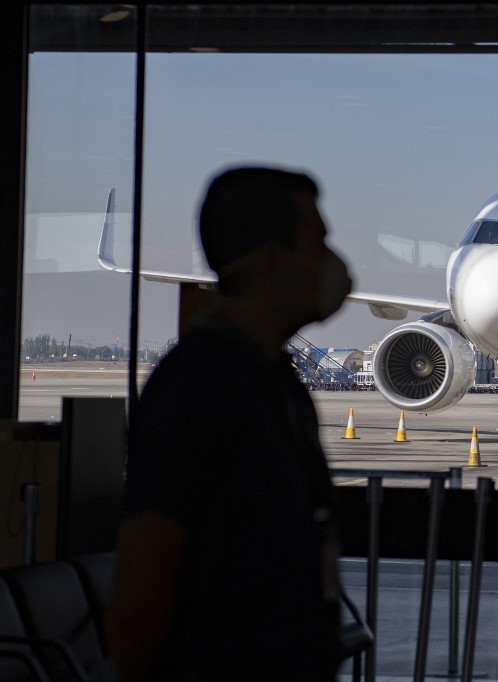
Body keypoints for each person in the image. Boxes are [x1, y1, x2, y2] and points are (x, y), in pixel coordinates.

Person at [107, 166, 353, 681]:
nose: (334, 262)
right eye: (318, 243)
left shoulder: (273, 380)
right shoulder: (198, 388)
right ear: (270, 262)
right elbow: (143, 586)